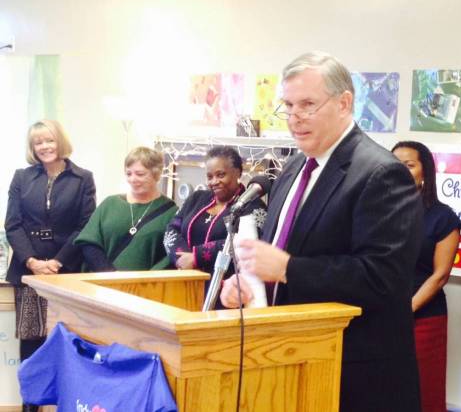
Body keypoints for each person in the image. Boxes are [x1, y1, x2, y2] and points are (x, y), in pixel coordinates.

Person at [219, 51, 423, 412]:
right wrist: (250, 285)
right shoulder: (295, 165)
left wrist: (286, 269)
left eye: (308, 105)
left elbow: (383, 277)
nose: (295, 118)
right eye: (289, 105)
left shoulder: (381, 173)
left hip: (354, 374)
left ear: (344, 103)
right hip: (289, 361)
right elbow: (279, 249)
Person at [4, 120, 96, 412]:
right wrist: (31, 261)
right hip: (29, 274)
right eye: (38, 143)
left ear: (60, 142)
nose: (44, 147)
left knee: (63, 340)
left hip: (65, 274)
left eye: (49, 141)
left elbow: (85, 226)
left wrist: (57, 261)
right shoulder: (21, 177)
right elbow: (13, 224)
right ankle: (30, 406)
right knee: (31, 341)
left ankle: (65, 404)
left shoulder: (82, 178)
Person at [392, 141, 461, 412]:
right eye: (395, 164)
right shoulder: (377, 210)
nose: (401, 171)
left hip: (423, 317)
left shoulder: (442, 217)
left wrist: (404, 310)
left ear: (425, 172)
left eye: (409, 165)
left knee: (423, 393)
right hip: (380, 316)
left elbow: (440, 275)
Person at [163, 146, 266, 307]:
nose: (214, 182)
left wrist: (196, 257)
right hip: (186, 285)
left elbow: (245, 244)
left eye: (221, 175)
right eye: (209, 176)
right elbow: (172, 228)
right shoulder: (197, 198)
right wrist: (181, 259)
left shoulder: (253, 206)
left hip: (226, 293)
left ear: (238, 172)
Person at [75, 147, 177, 271]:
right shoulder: (110, 204)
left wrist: (144, 283)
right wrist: (109, 274)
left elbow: (169, 256)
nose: (133, 179)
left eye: (140, 174)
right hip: (101, 284)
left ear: (156, 174)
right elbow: (88, 241)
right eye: (129, 173)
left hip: (144, 287)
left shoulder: (171, 212)